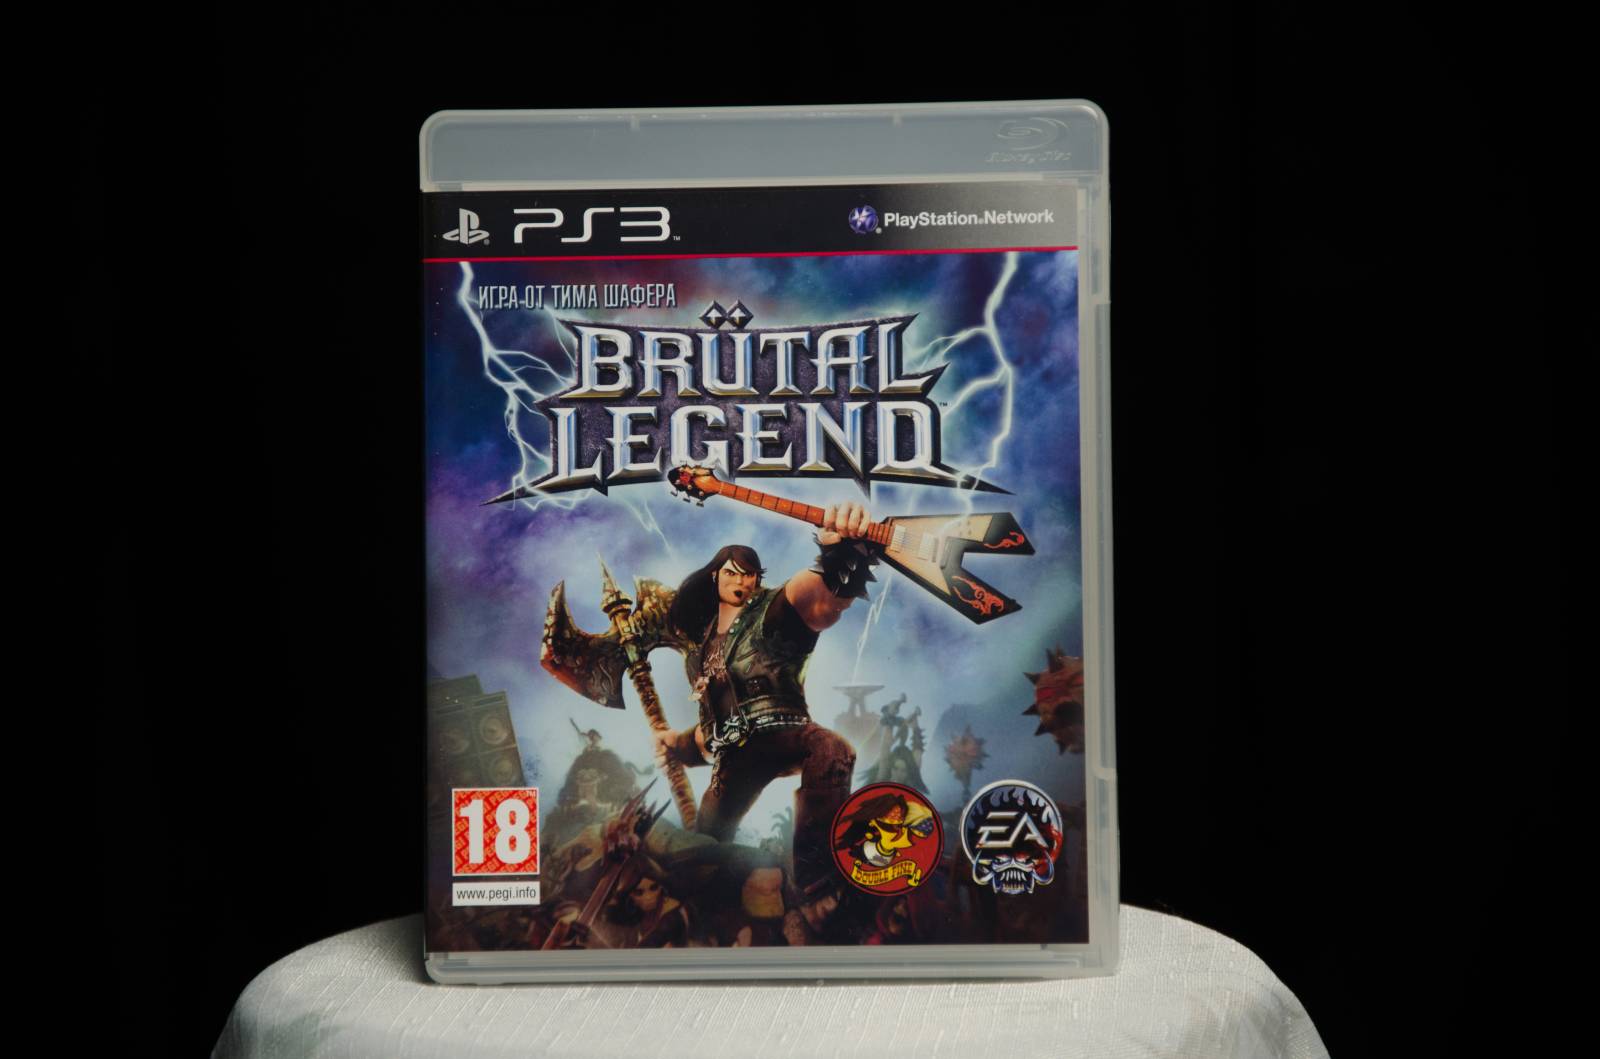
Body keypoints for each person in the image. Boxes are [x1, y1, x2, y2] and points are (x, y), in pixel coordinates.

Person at [653, 501, 872, 892]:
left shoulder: (772, 609)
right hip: (734, 757)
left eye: (750, 574)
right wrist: (678, 745)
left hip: (785, 732)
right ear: (715, 577)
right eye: (732, 572)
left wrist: (842, 553)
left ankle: (818, 882)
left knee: (832, 749)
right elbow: (712, 729)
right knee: (703, 859)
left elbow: (823, 598)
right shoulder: (698, 655)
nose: (742, 581)